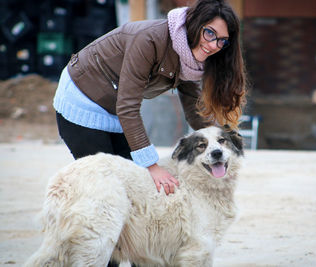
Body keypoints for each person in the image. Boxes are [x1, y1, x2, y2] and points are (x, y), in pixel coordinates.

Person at [53, 0, 247, 198]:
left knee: (132, 186)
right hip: (81, 99)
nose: (214, 45)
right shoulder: (148, 40)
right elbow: (128, 107)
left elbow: (192, 103)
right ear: (195, 24)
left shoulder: (189, 58)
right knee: (105, 186)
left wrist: (218, 143)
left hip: (114, 107)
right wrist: (152, 166)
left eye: (222, 40)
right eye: (210, 33)